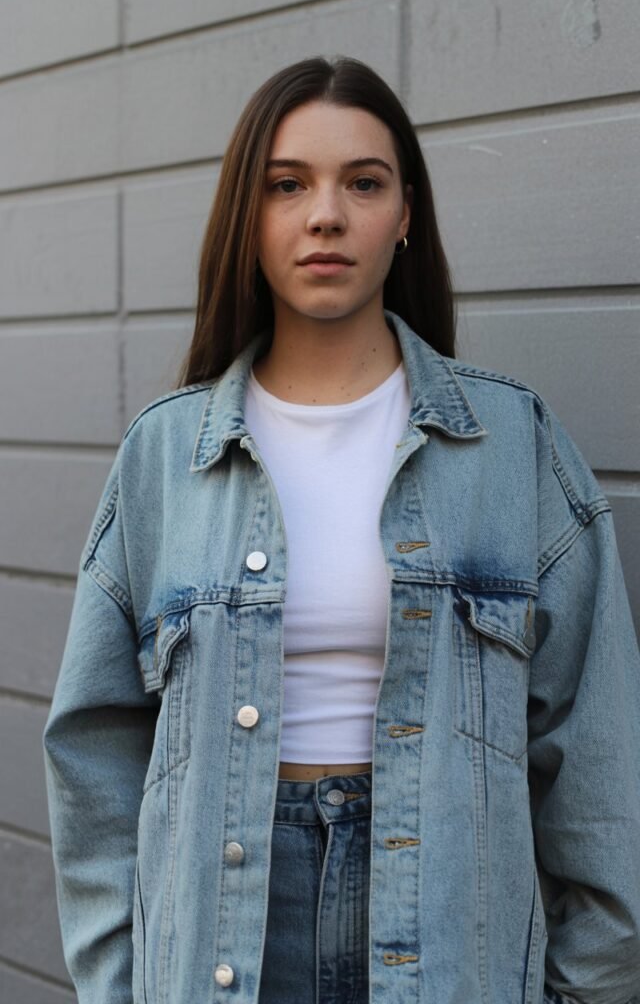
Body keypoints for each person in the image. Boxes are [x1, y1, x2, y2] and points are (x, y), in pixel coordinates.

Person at [42, 55, 640, 1004]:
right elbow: (96, 757)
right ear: (251, 216)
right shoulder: (162, 458)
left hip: (447, 937)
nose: (326, 214)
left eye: (363, 182)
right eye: (289, 185)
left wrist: (585, 988)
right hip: (222, 940)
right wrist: (121, 982)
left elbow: (599, 767)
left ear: (406, 216)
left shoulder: (512, 447)